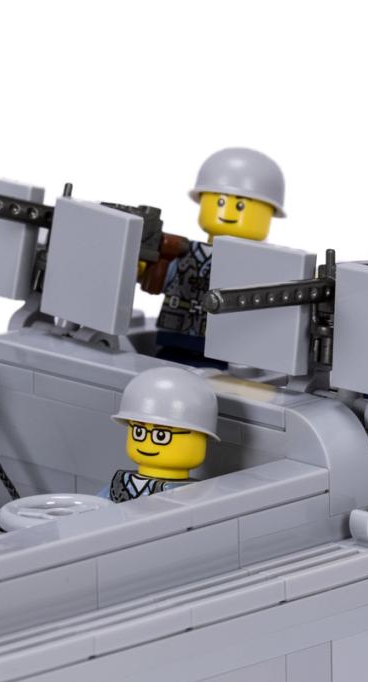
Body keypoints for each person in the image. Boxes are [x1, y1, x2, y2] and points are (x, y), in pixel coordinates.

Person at [140, 148, 286, 365]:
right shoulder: (182, 251)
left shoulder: (258, 266)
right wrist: (145, 267)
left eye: (240, 206)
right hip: (176, 337)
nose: (228, 212)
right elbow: (159, 279)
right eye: (220, 202)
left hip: (228, 348)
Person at [99, 367, 220, 502]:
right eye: (139, 431)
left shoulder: (190, 494)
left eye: (161, 436)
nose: (147, 443)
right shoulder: (120, 483)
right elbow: (100, 504)